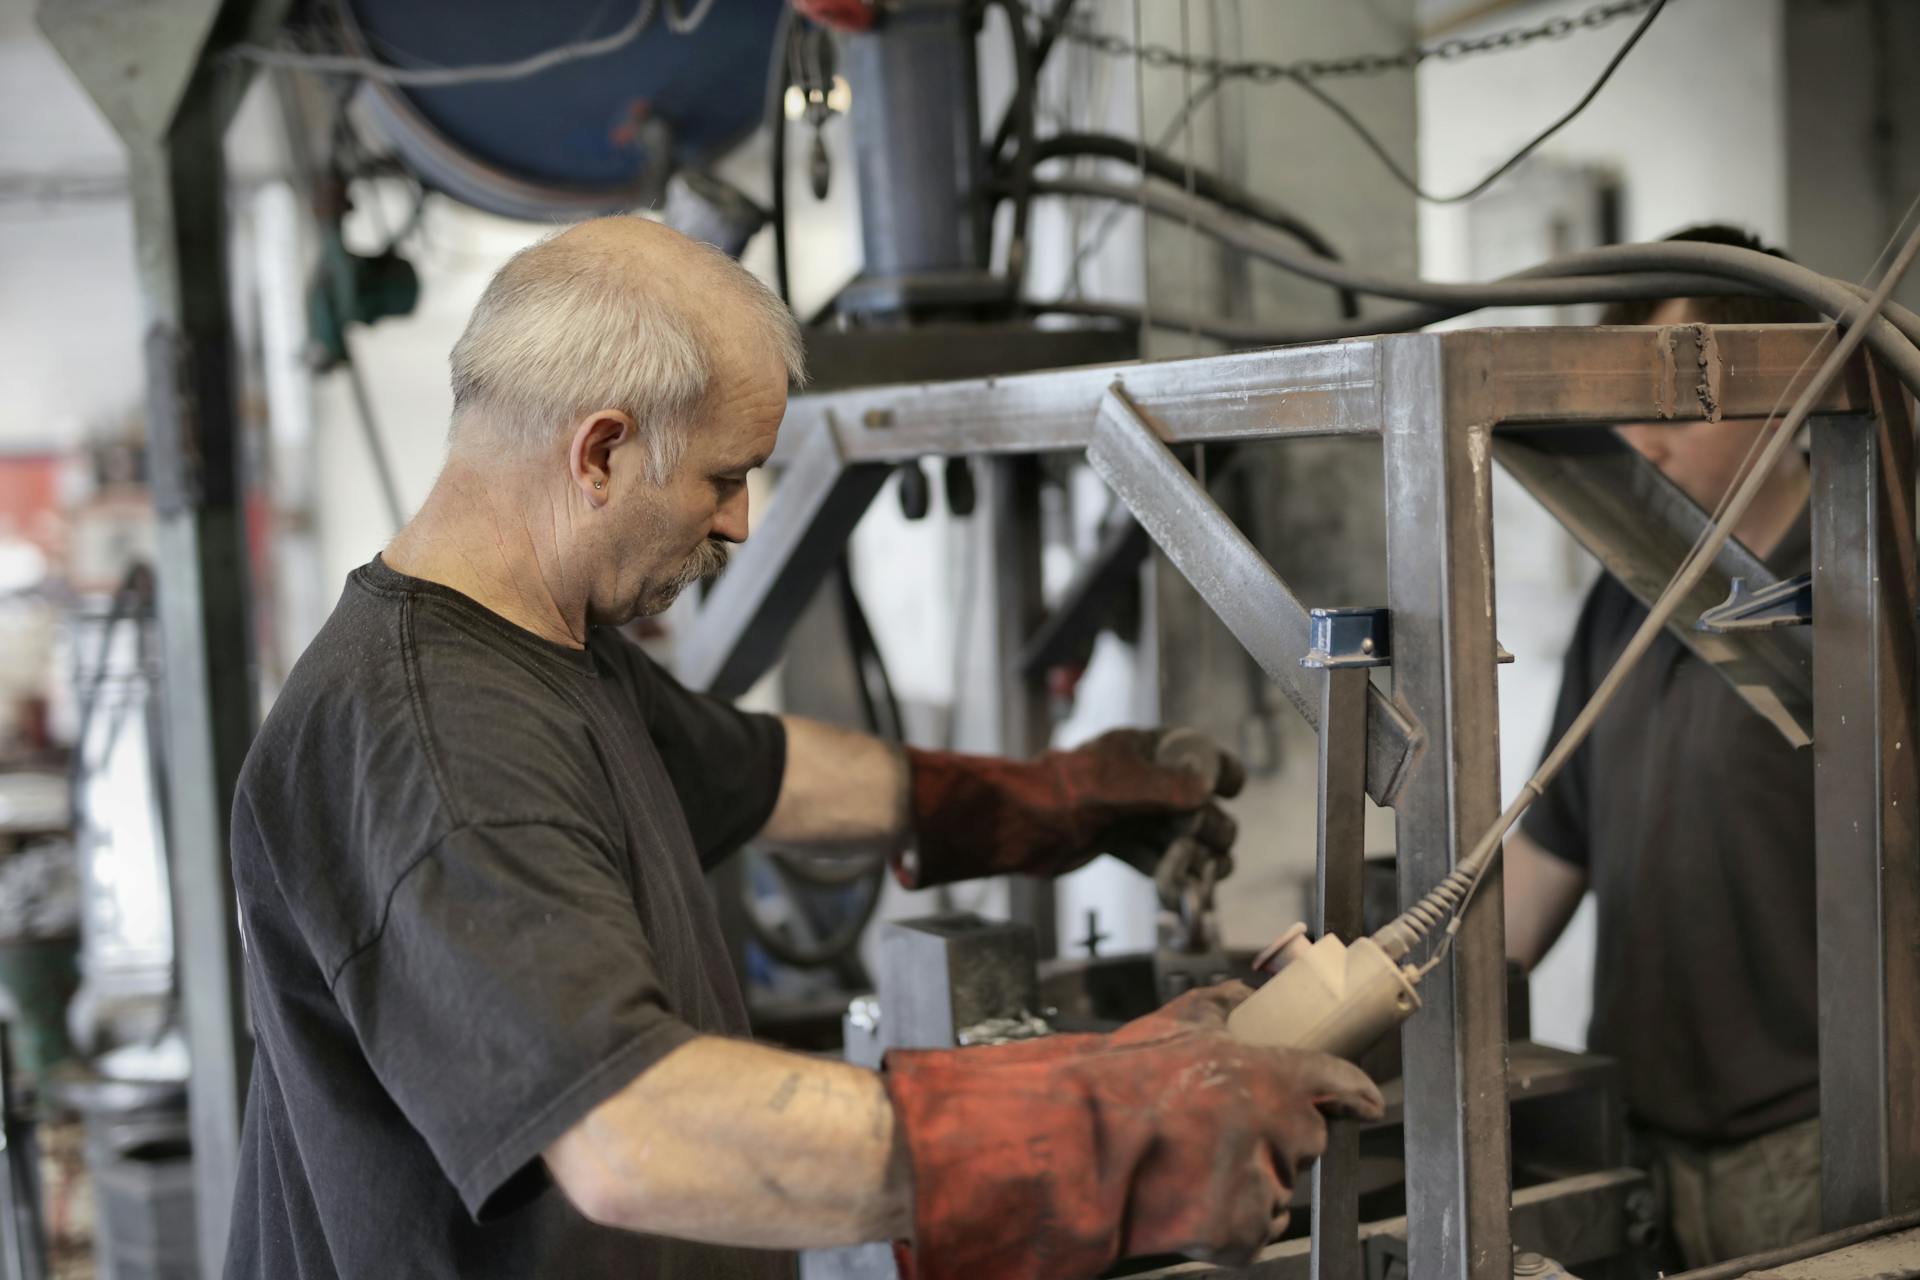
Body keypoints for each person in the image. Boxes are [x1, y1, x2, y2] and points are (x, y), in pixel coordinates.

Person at [226, 215, 1382, 1280]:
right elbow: (638, 1133)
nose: (738, 520)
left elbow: (760, 770)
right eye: (726, 476)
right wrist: (1104, 1126)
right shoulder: (437, 744)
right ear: (600, 453)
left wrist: (1052, 800)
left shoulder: (543, 644)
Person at [1504, 225, 1825, 1271]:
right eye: (1623, 400)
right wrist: (1382, 989)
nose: (1641, 439)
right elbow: (1546, 857)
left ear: (1783, 391)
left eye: (1672, 400)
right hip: (1635, 1137)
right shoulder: (1626, 591)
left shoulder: (1872, 583)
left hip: (1815, 1145)